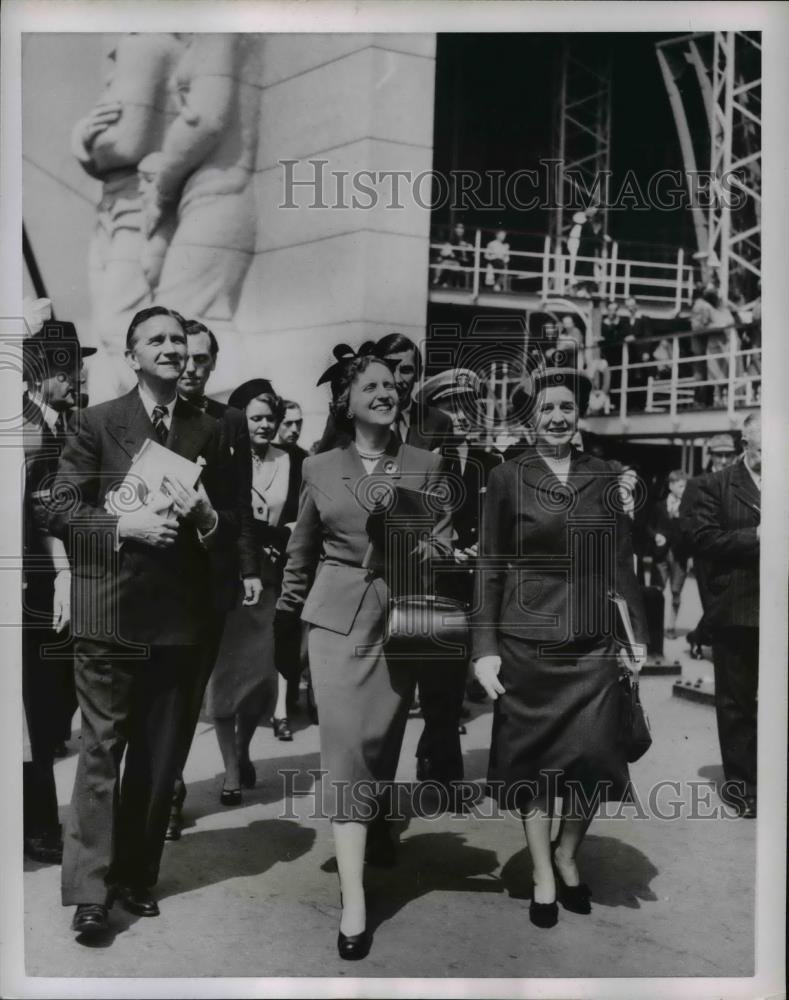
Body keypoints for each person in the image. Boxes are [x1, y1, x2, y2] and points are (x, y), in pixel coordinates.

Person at [50, 306, 238, 936]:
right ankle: (90, 890)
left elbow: (233, 528)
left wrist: (209, 518)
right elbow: (61, 508)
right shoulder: (96, 422)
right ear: (132, 357)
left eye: (178, 340)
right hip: (109, 614)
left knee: (159, 761)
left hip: (181, 620)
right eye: (155, 340)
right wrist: (121, 524)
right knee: (102, 751)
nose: (171, 348)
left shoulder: (214, 430)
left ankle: (135, 876)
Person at [275, 347, 452, 960]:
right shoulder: (320, 467)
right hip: (336, 620)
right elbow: (302, 550)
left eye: (390, 384)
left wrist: (433, 550)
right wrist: (286, 624)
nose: (384, 392)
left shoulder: (426, 463)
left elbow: (442, 535)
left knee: (380, 745)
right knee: (346, 752)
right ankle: (353, 901)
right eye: (370, 385)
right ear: (346, 401)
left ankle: (374, 828)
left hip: (400, 619)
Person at [472, 367, 647, 928]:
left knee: (595, 758)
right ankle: (544, 871)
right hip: (526, 643)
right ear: (530, 417)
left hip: (593, 641)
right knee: (535, 763)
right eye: (546, 408)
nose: (557, 417)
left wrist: (635, 634)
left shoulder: (606, 475)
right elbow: (490, 564)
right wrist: (484, 647)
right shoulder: (507, 476)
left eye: (566, 406)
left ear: (579, 414)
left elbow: (621, 559)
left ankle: (568, 851)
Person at [164, 319, 259, 841]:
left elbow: (240, 502)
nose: (192, 366)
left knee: (191, 690)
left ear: (214, 364)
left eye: (203, 358)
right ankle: (161, 787)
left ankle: (171, 793)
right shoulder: (154, 414)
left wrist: (249, 568)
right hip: (155, 577)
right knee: (158, 691)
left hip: (209, 576)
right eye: (187, 356)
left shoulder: (231, 422)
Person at [204, 379, 304, 801]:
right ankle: (230, 770)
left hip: (272, 584)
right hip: (232, 583)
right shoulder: (224, 460)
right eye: (256, 418)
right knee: (226, 681)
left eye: (271, 418)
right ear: (239, 421)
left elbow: (301, 517)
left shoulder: (294, 460)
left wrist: (284, 536)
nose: (265, 426)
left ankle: (244, 750)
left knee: (261, 682)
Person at [22, 321, 96, 864]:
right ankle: (40, 826)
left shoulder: (54, 422)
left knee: (43, 709)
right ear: (43, 370)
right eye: (68, 368)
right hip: (29, 582)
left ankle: (40, 823)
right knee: (34, 708)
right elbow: (40, 513)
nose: (76, 379)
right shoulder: (28, 428)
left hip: (45, 578)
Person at [690, 413, 760, 818]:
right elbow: (703, 539)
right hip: (737, 606)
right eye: (763, 450)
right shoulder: (715, 486)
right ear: (744, 445)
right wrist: (756, 538)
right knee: (736, 700)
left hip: (778, 605)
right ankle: (742, 786)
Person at [315, 333, 454, 455]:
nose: (397, 379)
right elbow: (323, 473)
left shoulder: (439, 422)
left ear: (419, 374)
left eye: (406, 370)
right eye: (390, 369)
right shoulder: (347, 418)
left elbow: (448, 480)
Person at [679, 434, 737, 658]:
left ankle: (698, 636)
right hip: (707, 556)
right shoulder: (697, 484)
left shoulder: (739, 481)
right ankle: (705, 641)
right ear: (711, 456)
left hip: (734, 551)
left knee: (730, 604)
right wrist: (697, 544)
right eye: (719, 455)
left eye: (728, 455)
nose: (723, 460)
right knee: (715, 605)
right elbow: (684, 520)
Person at [647, 470, 689, 639]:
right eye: (680, 486)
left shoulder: (688, 507)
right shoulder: (659, 506)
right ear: (671, 486)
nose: (684, 490)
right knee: (657, 591)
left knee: (676, 592)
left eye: (685, 486)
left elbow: (692, 530)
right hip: (661, 555)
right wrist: (655, 535)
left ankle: (671, 626)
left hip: (680, 555)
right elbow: (648, 526)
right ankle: (654, 626)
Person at [484, 227, 510, 291]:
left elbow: (507, 257)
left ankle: (497, 285)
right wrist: (494, 258)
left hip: (501, 265)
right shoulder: (491, 244)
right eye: (501, 235)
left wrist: (505, 259)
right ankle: (490, 288)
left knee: (503, 269)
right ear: (497, 235)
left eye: (504, 235)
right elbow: (486, 255)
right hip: (492, 263)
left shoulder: (505, 246)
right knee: (490, 273)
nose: (503, 237)